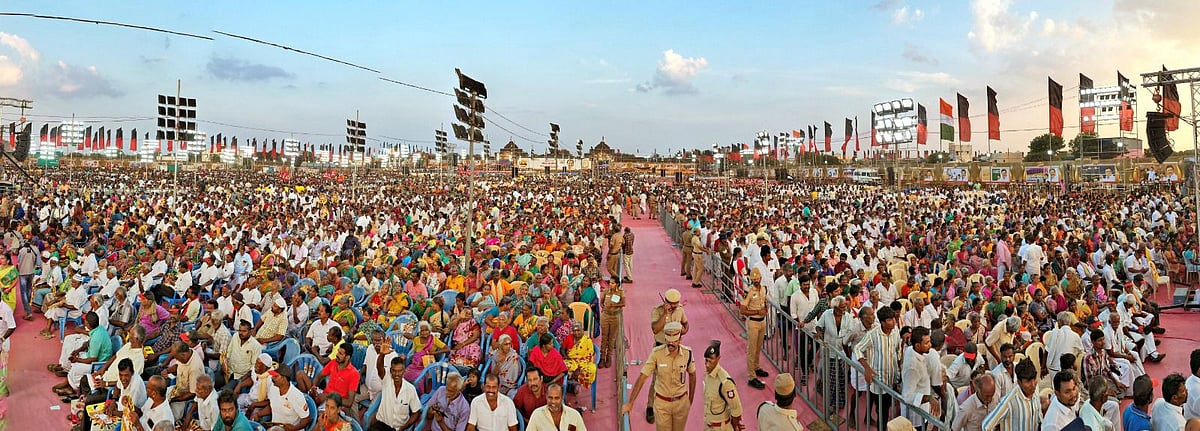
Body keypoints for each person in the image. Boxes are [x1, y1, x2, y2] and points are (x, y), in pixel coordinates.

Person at [621, 321, 696, 431]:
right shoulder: (656, 354)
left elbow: (693, 376)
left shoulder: (687, 353)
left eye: (674, 341)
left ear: (680, 340)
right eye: (668, 341)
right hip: (662, 403)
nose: (671, 344)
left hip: (681, 403)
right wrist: (630, 403)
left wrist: (690, 400)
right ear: (665, 339)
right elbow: (642, 377)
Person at [853, 306, 900, 426]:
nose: (894, 321)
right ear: (883, 322)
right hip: (879, 379)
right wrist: (867, 368)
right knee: (882, 412)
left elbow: (897, 352)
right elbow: (858, 348)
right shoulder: (872, 334)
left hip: (892, 379)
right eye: (890, 320)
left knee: (886, 408)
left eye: (894, 318)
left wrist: (898, 376)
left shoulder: (896, 332)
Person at [981, 359, 1043, 431]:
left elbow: (1039, 420)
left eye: (1034, 379)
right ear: (1019, 382)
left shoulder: (1035, 392)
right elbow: (986, 426)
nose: (1033, 385)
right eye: (1028, 381)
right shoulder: (1009, 402)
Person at [254, 363, 312, 431]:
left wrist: (294, 428)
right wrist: (259, 414)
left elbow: (307, 419)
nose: (272, 378)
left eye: (275, 376)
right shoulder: (273, 387)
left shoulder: (297, 396)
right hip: (275, 427)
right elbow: (272, 405)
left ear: (284, 379)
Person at [902, 326, 941, 428]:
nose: (930, 345)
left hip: (923, 409)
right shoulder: (913, 368)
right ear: (918, 345)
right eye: (927, 343)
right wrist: (929, 398)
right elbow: (907, 396)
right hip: (915, 415)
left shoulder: (912, 350)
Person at [701, 340, 744, 431]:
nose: (707, 364)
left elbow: (736, 408)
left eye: (711, 360)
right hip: (708, 426)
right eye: (706, 360)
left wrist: (735, 425)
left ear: (718, 358)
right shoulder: (708, 376)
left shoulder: (725, 382)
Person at [370, 357, 421, 431]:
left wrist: (403, 427)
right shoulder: (386, 380)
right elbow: (379, 368)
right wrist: (382, 354)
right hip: (381, 424)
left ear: (404, 370)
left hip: (399, 428)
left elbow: (416, 412)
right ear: (390, 370)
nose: (397, 374)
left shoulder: (410, 389)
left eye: (400, 371)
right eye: (394, 370)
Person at [741, 268, 769, 389]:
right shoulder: (749, 291)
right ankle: (751, 376)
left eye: (758, 278)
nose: (756, 280)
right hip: (753, 323)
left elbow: (764, 300)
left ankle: (756, 367)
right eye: (754, 279)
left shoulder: (763, 289)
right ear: (751, 280)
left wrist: (766, 308)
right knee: (751, 350)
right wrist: (758, 311)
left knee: (758, 348)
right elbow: (742, 310)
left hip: (762, 322)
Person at [598, 279, 625, 369]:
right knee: (604, 337)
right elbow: (601, 302)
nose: (610, 284)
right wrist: (603, 306)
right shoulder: (606, 291)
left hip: (615, 317)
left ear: (617, 284)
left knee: (612, 338)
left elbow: (623, 303)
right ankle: (602, 357)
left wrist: (613, 306)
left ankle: (608, 357)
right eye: (610, 283)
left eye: (613, 283)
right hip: (605, 316)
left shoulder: (621, 292)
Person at [563, 322, 596, 389]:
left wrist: (578, 368)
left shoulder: (587, 340)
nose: (576, 333)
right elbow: (562, 348)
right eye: (574, 331)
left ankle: (573, 381)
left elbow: (589, 355)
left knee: (591, 370)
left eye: (578, 330)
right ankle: (572, 384)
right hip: (571, 361)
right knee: (562, 366)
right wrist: (565, 356)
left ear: (582, 330)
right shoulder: (569, 337)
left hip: (584, 362)